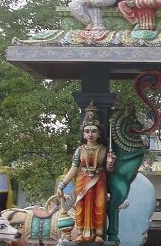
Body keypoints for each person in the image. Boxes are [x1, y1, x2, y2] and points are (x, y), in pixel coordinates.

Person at [57, 103, 115, 243]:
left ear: (99, 133)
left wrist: (110, 162)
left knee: (99, 205)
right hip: (82, 181)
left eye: (94, 131)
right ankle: (81, 233)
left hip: (99, 181)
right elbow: (74, 168)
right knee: (81, 206)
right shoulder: (79, 150)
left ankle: (99, 234)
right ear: (83, 133)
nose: (90, 134)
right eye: (87, 131)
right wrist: (62, 185)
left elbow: (110, 170)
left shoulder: (104, 149)